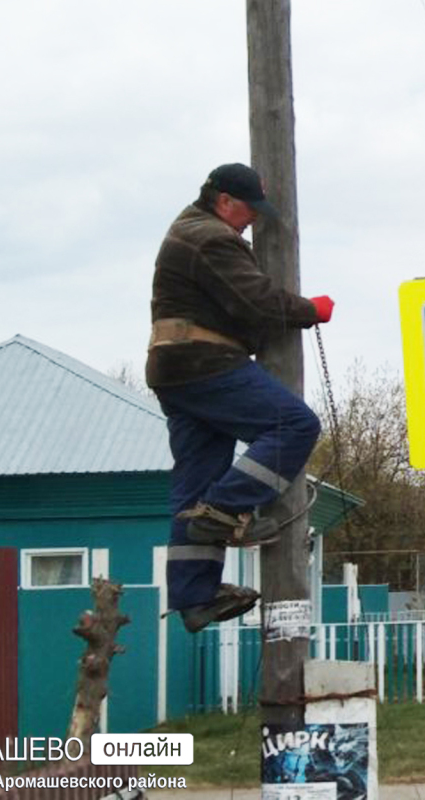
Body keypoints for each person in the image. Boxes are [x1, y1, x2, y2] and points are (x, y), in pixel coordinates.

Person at [146, 162, 335, 634]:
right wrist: (310, 310)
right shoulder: (209, 238)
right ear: (224, 200)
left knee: (193, 488)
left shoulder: (190, 230)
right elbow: (255, 300)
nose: (253, 218)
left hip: (174, 370)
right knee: (293, 426)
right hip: (203, 362)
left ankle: (195, 597)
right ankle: (227, 510)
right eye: (248, 209)